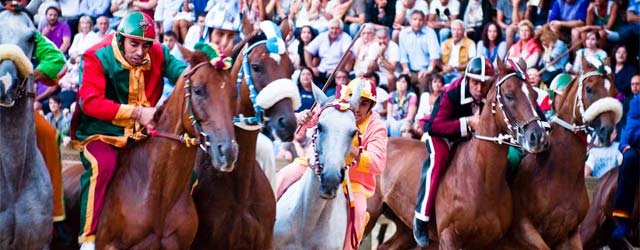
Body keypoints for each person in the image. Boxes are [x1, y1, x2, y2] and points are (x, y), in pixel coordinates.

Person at [70, 12, 187, 250]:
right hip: (100, 132)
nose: (140, 52)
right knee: (103, 166)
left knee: (186, 171)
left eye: (146, 45)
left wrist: (205, 70)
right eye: (134, 44)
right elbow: (90, 103)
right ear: (121, 38)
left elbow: (185, 74)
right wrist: (136, 113)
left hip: (142, 134)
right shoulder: (95, 56)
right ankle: (88, 240)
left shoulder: (158, 52)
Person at [276, 77, 388, 250]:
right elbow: (312, 122)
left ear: (371, 107)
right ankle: (259, 223)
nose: (358, 107)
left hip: (354, 182)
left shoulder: (377, 127)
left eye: (364, 103)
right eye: (355, 99)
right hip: (313, 165)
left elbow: (378, 163)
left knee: (358, 213)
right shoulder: (337, 108)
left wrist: (352, 149)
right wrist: (302, 117)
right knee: (281, 177)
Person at [413, 56, 496, 246]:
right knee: (439, 158)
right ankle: (421, 217)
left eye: (485, 84)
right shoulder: (451, 93)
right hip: (439, 134)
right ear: (467, 79)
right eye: (476, 82)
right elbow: (434, 126)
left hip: (466, 137)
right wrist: (467, 122)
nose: (480, 88)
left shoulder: (489, 94)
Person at [610, 74, 640, 243]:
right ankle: (622, 218)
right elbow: (631, 127)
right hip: (637, 145)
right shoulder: (636, 102)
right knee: (628, 159)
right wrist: (624, 145)